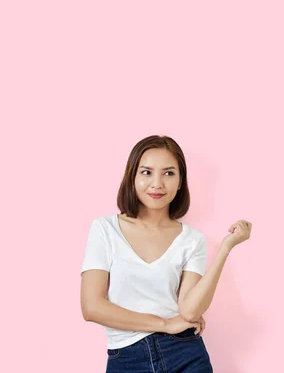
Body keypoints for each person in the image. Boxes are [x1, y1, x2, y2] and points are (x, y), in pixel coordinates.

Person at [80, 134, 252, 373]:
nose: (157, 183)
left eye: (169, 173)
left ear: (181, 181)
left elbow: (190, 310)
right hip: (127, 358)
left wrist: (225, 248)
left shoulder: (192, 240)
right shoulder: (105, 230)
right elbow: (92, 307)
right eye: (146, 172)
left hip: (185, 353)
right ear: (132, 177)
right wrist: (165, 324)